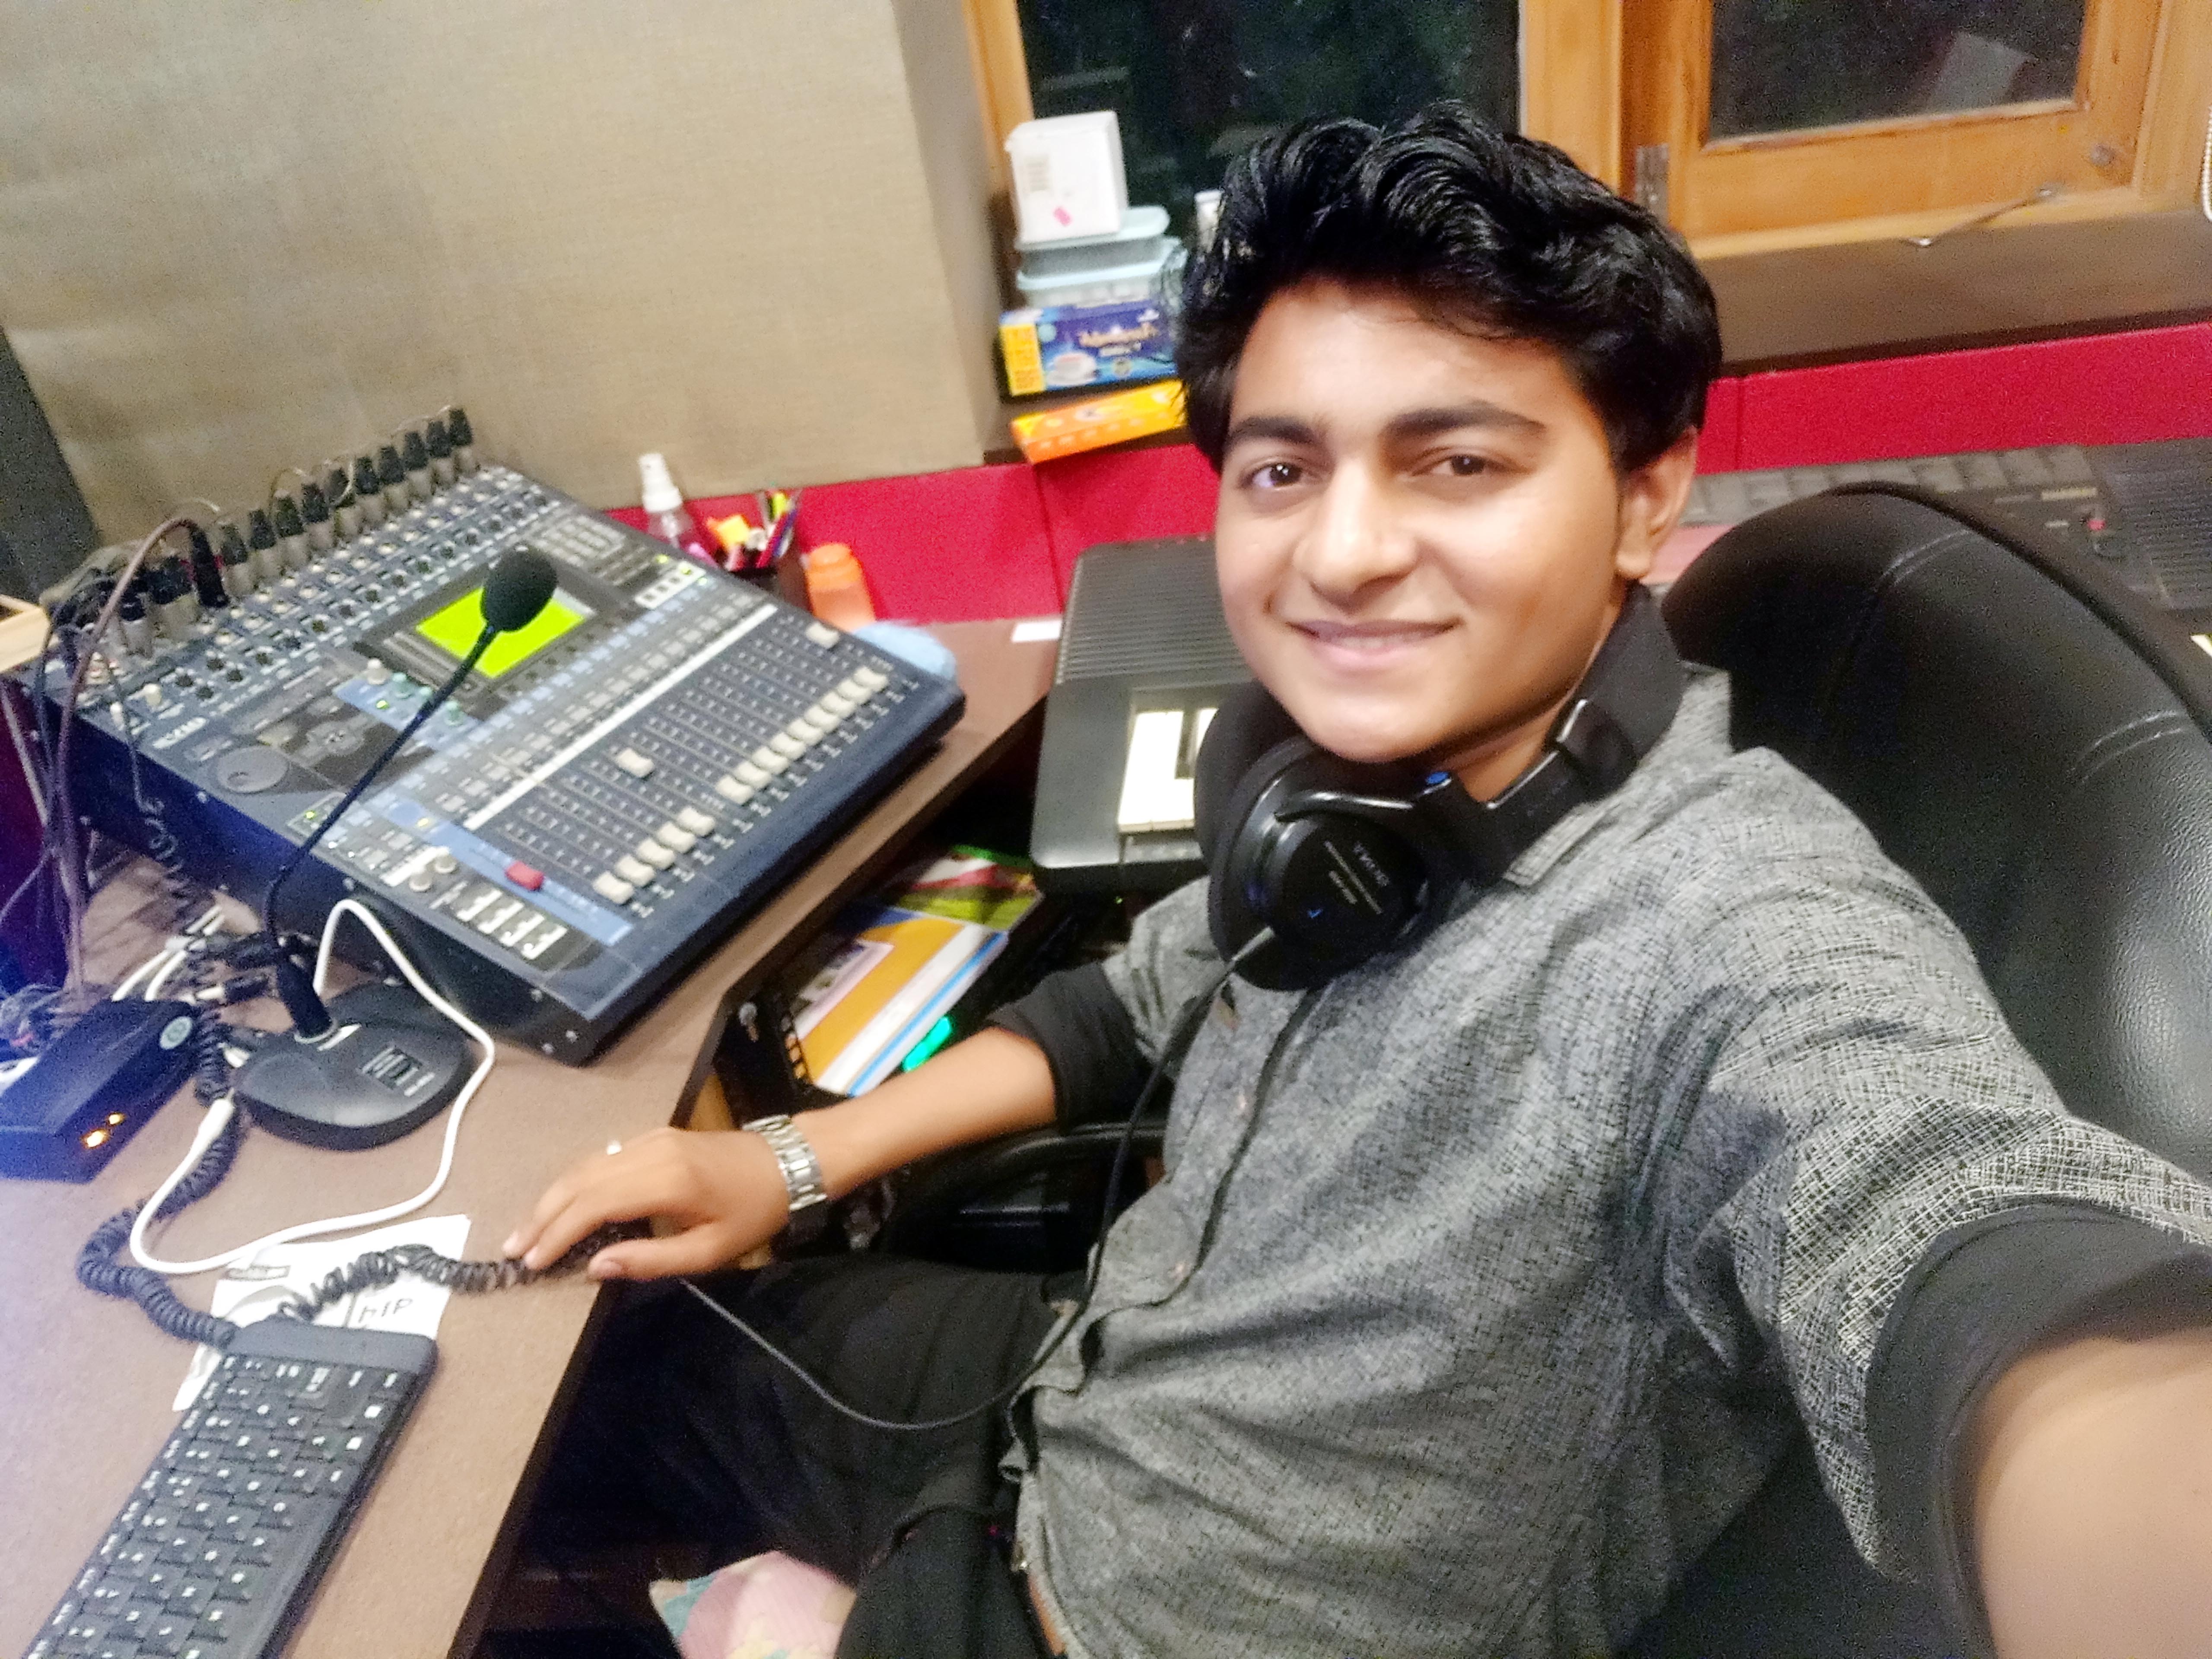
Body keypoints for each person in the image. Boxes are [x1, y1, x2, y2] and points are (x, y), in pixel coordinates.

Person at [506, 107, 2212, 1659]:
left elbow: (1955, 1239)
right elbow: (1131, 1001)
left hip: (1115, 1626)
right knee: (626, 1356)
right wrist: (782, 1161)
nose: (1338, 553)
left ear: (1643, 499)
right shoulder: (1352, 810)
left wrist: (2112, 1450)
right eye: (1282, 470)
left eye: (1455, 462)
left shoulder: (1726, 932)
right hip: (1081, 1393)